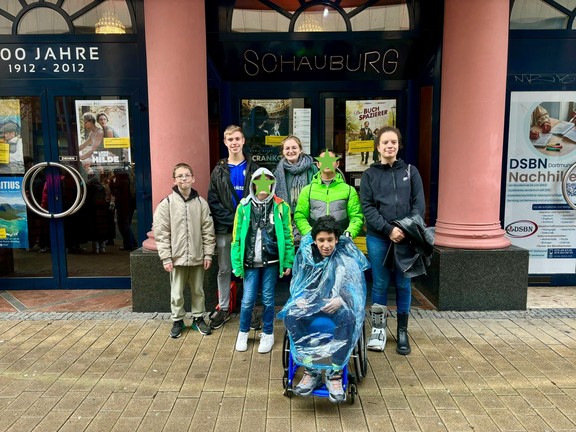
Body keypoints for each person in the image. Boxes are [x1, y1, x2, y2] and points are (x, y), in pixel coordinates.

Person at [279, 216, 369, 403]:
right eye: (321, 240)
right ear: (314, 240)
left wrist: (342, 300)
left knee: (349, 317)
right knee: (291, 314)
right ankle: (311, 369)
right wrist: (301, 298)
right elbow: (299, 283)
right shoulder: (306, 257)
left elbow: (355, 289)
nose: (326, 245)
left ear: (337, 239)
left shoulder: (346, 259)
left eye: (329, 240)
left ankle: (334, 372)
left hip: (336, 308)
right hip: (312, 306)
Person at [360, 126, 425, 354]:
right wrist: (388, 229)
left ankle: (402, 332)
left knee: (403, 283)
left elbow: (419, 204)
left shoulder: (411, 171)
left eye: (393, 142)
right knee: (379, 283)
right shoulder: (369, 175)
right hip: (379, 238)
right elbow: (367, 207)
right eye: (385, 143)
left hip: (406, 238)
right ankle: (378, 331)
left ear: (398, 145)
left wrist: (405, 229)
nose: (390, 146)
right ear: (378, 147)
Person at [231, 167, 294, 353]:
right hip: (250, 262)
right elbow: (236, 239)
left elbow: (288, 237)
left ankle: (267, 333)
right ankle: (243, 332)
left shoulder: (281, 206)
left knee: (268, 299)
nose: (264, 187)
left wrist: (288, 261)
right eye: (260, 182)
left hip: (272, 262)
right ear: (253, 185)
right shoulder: (243, 207)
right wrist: (236, 264)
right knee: (247, 299)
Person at [153, 163, 216, 338]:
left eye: (187, 175)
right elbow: (161, 232)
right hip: (176, 258)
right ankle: (177, 320)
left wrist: (208, 253)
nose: (184, 178)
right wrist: (166, 257)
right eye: (180, 176)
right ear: (174, 180)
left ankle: (198, 318)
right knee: (177, 292)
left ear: (193, 178)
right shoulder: (166, 203)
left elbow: (208, 230)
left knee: (198, 290)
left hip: (197, 256)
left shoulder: (201, 203)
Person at [208, 125, 260, 330]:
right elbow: (213, 200)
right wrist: (233, 219)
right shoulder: (219, 169)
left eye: (237, 138)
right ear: (225, 142)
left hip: (249, 228)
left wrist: (245, 221)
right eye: (230, 139)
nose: (234, 143)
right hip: (225, 228)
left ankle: (250, 309)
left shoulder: (254, 169)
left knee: (249, 269)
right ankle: (223, 308)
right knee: (224, 269)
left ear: (243, 140)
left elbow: (262, 198)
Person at [293, 149, 364, 240]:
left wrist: (349, 233)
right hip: (315, 242)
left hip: (341, 241)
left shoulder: (349, 190)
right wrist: (310, 233)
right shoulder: (308, 190)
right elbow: (300, 216)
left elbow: (356, 217)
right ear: (318, 165)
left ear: (337, 164)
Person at [273, 135, 318, 243]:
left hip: (308, 221)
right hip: (287, 221)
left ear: (300, 149)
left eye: (294, 147)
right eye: (287, 148)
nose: (291, 151)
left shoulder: (312, 169)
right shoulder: (278, 172)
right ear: (283, 152)